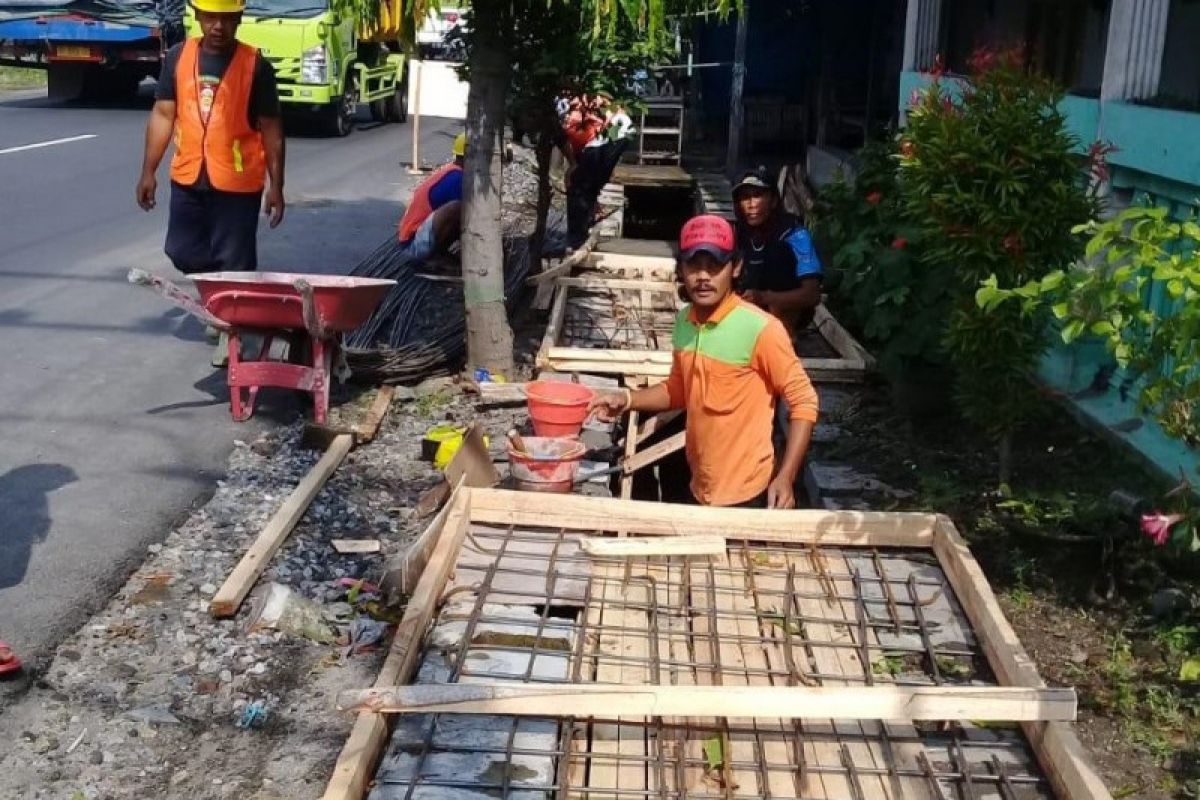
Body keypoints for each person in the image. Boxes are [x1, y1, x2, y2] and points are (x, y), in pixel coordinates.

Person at [590, 215, 819, 509]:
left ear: (735, 267)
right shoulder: (685, 322)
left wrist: (786, 477)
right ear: (681, 269)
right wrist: (627, 398)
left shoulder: (760, 329)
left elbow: (804, 401)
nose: (703, 276)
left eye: (714, 266)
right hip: (700, 485)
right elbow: (679, 390)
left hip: (748, 492)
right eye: (693, 265)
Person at [137, 0, 285, 277]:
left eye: (227, 18)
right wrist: (148, 172)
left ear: (239, 19)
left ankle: (230, 311)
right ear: (199, 16)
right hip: (188, 178)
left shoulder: (256, 67)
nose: (219, 26)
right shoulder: (179, 57)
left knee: (235, 266)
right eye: (211, 17)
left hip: (237, 185)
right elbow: (163, 115)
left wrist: (276, 186)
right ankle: (219, 291)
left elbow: (272, 130)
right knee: (181, 251)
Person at [732, 167, 823, 332]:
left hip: (783, 310)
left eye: (757, 196)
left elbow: (812, 294)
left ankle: (785, 336)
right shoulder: (741, 232)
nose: (750, 205)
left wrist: (764, 297)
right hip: (749, 309)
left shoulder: (795, 235)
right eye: (745, 197)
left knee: (778, 255)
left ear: (773, 200)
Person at [563, 93, 634, 249]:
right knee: (585, 182)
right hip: (614, 133)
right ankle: (585, 224)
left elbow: (566, 140)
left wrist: (573, 166)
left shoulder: (569, 103)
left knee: (579, 186)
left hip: (608, 134)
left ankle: (576, 240)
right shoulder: (575, 101)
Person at [397, 133, 466, 261]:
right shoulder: (456, 178)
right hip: (413, 246)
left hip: (418, 238)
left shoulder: (452, 171)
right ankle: (436, 259)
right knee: (458, 208)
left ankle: (441, 255)